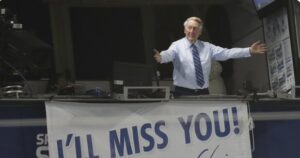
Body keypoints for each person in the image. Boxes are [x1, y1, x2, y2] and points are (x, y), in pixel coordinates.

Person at [153, 16, 267, 97]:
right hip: (183, 92)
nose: (192, 31)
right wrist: (161, 57)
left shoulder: (207, 47)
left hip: (203, 92)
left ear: (200, 33)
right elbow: (169, 54)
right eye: (190, 28)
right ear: (184, 30)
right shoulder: (177, 46)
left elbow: (227, 53)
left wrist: (249, 50)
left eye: (195, 28)